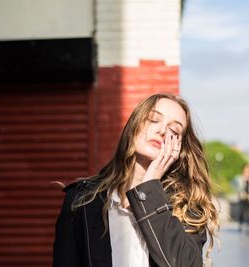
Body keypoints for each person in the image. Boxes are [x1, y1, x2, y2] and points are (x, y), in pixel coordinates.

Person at [53, 93, 219, 267]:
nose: (162, 130)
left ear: (179, 147)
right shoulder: (82, 200)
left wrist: (149, 189)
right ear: (134, 124)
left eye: (174, 130)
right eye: (153, 120)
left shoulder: (188, 204)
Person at [234, 164, 249, 233]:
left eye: (248, 170)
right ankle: (240, 225)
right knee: (241, 211)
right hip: (242, 197)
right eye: (246, 170)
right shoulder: (239, 178)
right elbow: (235, 186)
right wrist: (240, 192)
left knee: (248, 212)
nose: (247, 172)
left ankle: (248, 226)